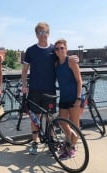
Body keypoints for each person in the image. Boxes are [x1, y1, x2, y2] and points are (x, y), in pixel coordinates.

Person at [21, 22, 78, 155]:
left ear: (48, 33)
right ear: (36, 35)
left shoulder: (54, 50)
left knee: (50, 118)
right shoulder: (30, 50)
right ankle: (34, 143)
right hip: (34, 90)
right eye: (40, 33)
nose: (43, 35)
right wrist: (24, 85)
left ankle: (51, 141)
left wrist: (74, 58)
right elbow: (24, 71)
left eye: (45, 32)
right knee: (35, 118)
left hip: (50, 91)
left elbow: (64, 58)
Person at [54, 39, 82, 159]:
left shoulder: (71, 61)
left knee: (74, 124)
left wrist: (78, 98)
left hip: (74, 97)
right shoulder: (56, 64)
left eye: (62, 48)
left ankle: (71, 148)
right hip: (64, 97)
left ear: (66, 49)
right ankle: (69, 143)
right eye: (57, 48)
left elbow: (79, 80)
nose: (59, 50)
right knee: (62, 122)